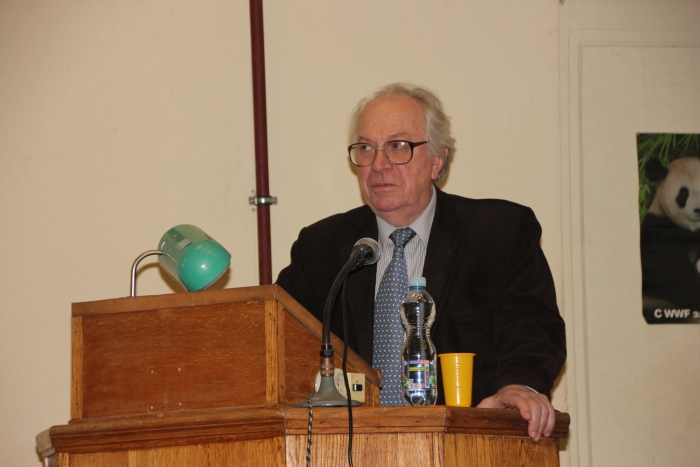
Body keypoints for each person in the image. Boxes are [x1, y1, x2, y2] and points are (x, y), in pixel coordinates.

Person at [276, 83, 566, 441]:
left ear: (437, 160)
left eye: (398, 146)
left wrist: (519, 385)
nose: (378, 164)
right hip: (348, 448)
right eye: (366, 148)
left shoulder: (499, 233)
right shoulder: (321, 247)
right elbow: (277, 335)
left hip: (464, 446)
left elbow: (532, 324)